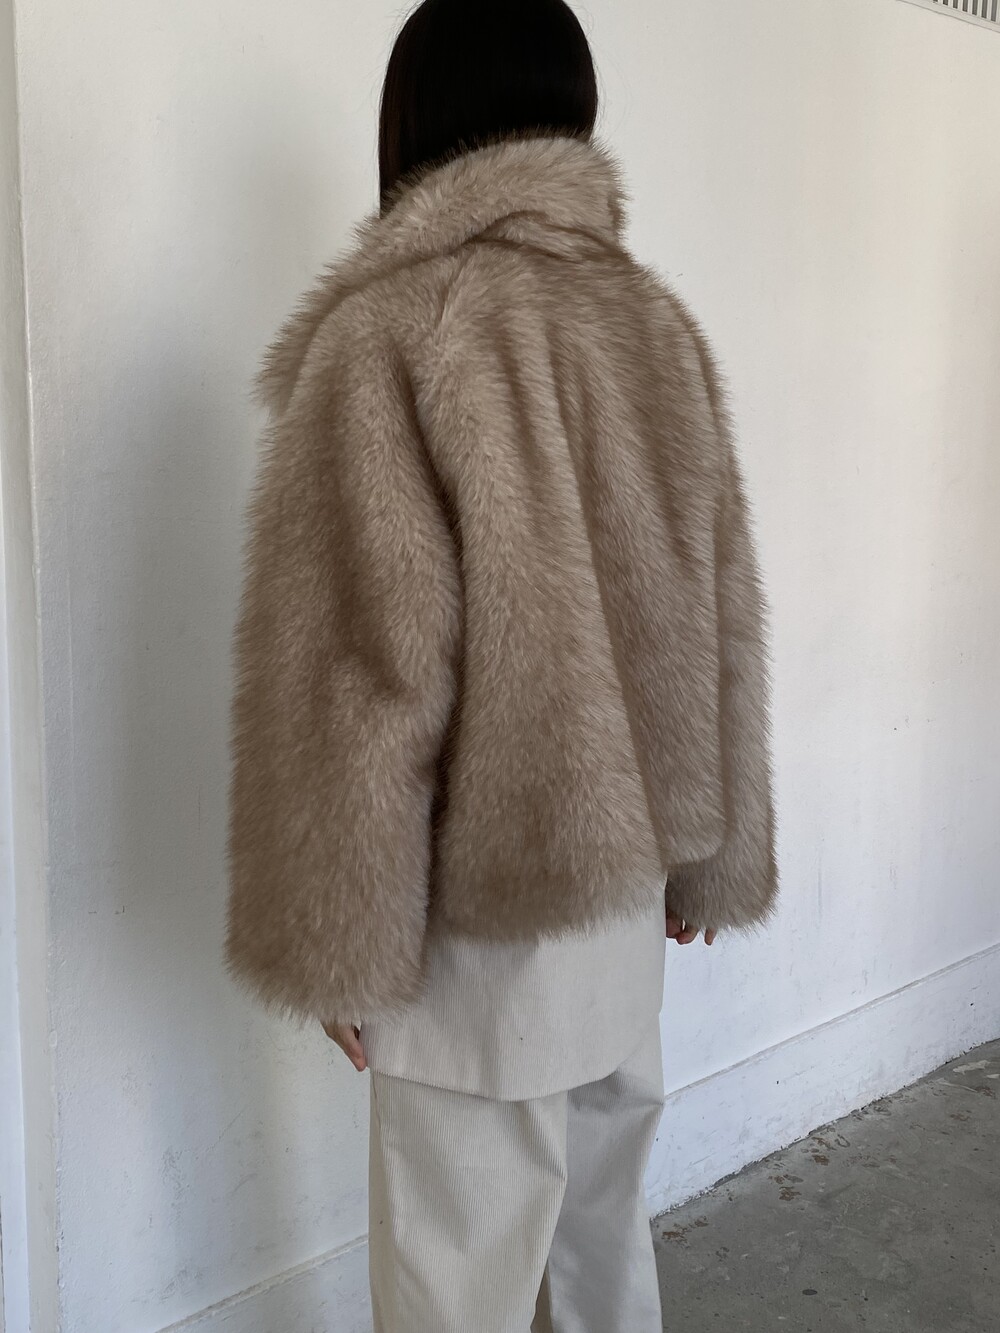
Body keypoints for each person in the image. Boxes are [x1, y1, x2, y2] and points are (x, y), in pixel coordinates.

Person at [223, 1, 779, 1329]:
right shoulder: (654, 325)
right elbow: (720, 611)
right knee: (600, 1259)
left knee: (454, 1282)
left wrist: (339, 941)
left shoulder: (392, 338)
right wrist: (713, 859)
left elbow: (364, 677)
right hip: (620, 916)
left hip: (475, 940)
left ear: (414, 120)